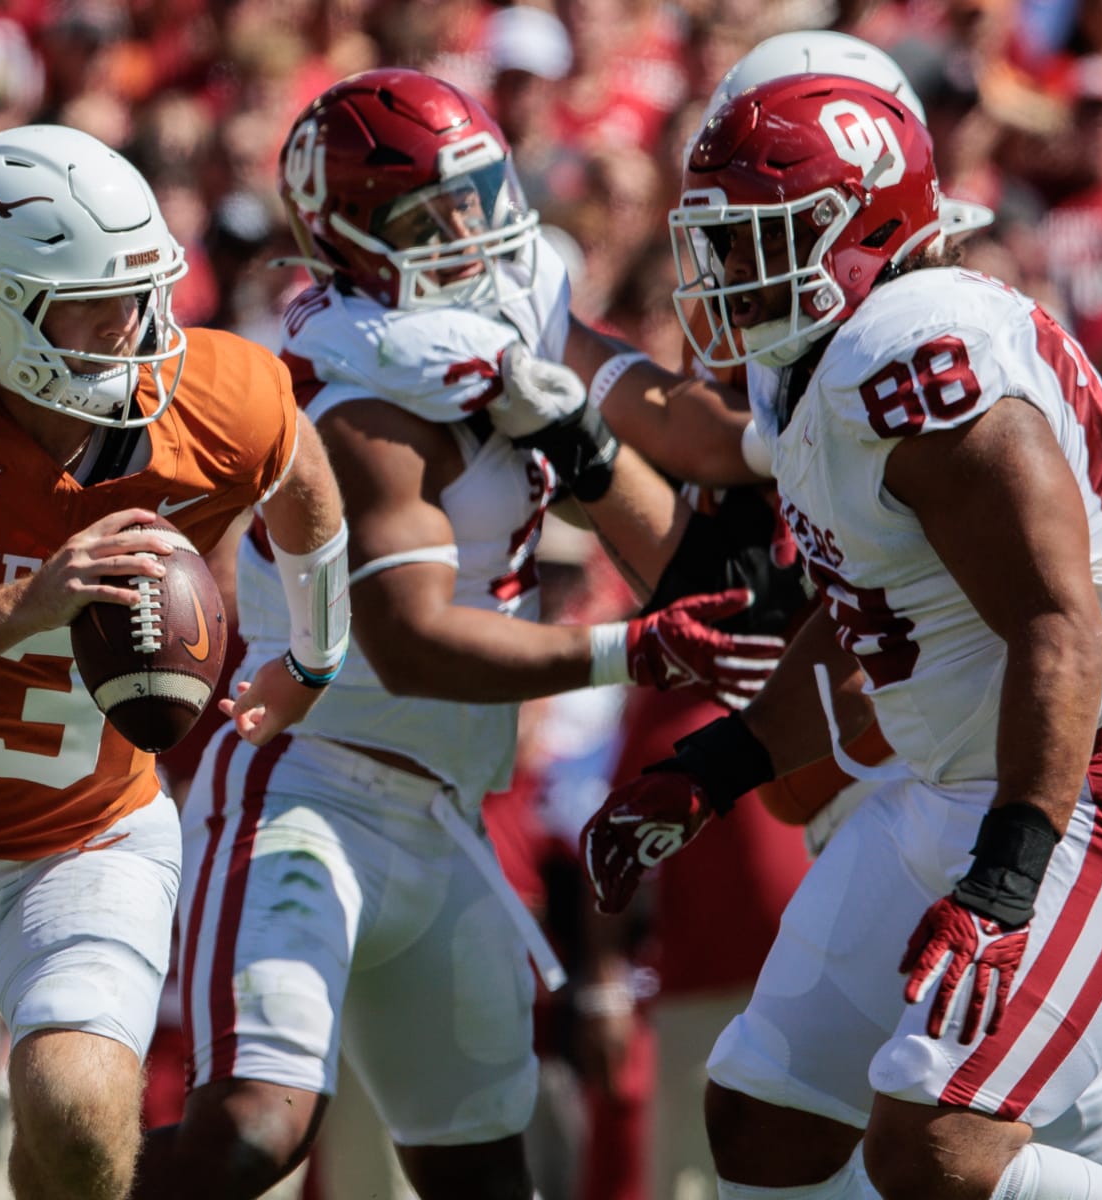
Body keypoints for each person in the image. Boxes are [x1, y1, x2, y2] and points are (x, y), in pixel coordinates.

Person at [580, 73, 1102, 1200]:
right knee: (764, 1119)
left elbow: (1059, 625)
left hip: (1087, 784)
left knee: (935, 1153)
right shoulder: (830, 363)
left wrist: (1006, 882)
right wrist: (714, 767)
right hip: (951, 781)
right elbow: (872, 613)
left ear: (862, 230)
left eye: (760, 237)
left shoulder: (915, 357)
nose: (728, 271)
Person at [135, 68, 781, 1200]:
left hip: (445, 811)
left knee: (485, 1177)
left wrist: (796, 430)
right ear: (349, 238)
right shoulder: (359, 398)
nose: (471, 233)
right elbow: (412, 645)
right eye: (428, 218)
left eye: (477, 197)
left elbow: (672, 423)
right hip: (307, 792)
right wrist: (631, 649)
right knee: (251, 1135)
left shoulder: (518, 307)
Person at [0, 123, 349, 1200]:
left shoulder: (219, 397)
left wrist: (313, 655)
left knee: (80, 1113)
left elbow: (301, 475)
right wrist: (25, 607)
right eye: (91, 302)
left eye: (142, 291)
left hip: (92, 834)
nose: (132, 326)